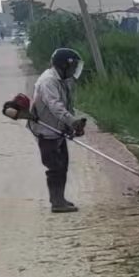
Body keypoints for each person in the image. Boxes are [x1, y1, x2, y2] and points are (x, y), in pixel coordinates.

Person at [27, 47, 88, 213]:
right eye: (73, 66)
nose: (74, 70)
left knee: (63, 165)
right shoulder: (48, 81)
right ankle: (56, 203)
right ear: (63, 65)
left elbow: (67, 105)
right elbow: (55, 106)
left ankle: (60, 198)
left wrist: (71, 125)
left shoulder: (62, 80)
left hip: (57, 129)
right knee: (54, 167)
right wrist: (72, 121)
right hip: (46, 130)